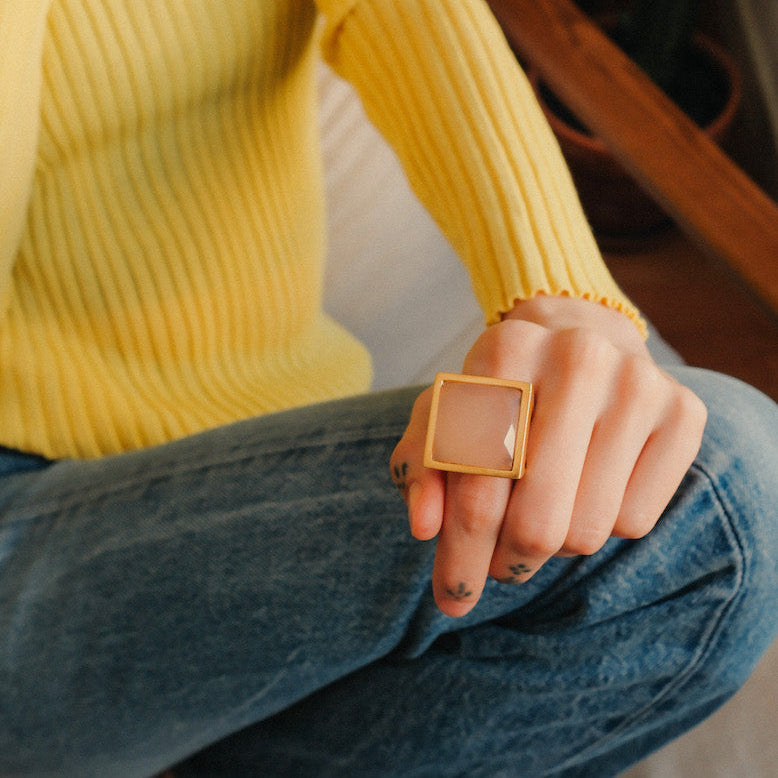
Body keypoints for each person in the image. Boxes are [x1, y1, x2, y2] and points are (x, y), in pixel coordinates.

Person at [0, 1, 776, 775]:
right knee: (723, 493)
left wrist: (559, 299)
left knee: (699, 498)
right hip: (24, 503)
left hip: (277, 446)